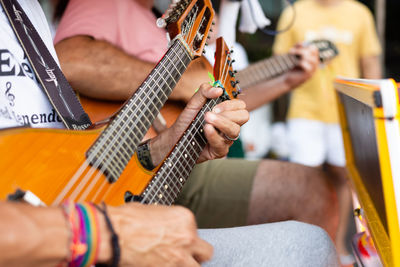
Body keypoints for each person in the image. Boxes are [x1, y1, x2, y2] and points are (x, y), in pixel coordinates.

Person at [0, 0, 340, 266]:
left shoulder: (23, 12)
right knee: (306, 238)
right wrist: (105, 233)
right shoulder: (103, 4)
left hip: (100, 183)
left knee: (308, 240)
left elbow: (61, 141)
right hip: (73, 223)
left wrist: (169, 143)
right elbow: (74, 61)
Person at [273, 0, 382, 263]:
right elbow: (279, 63)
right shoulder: (294, 12)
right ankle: (301, 248)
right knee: (302, 180)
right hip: (304, 110)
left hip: (345, 111)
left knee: (343, 178)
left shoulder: (359, 12)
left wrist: (376, 110)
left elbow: (370, 63)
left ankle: (336, 246)